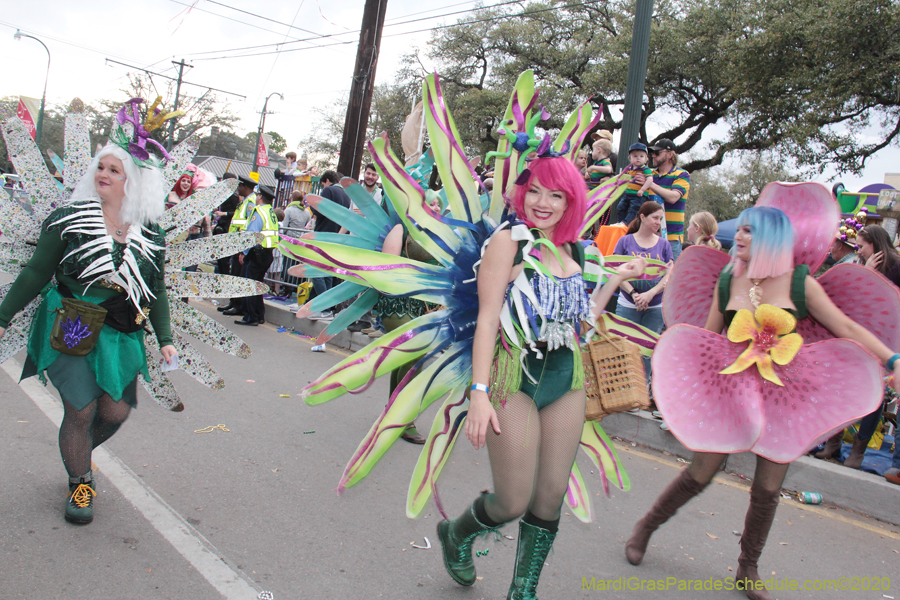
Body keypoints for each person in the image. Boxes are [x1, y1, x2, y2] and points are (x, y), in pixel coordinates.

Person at [627, 206, 900, 600]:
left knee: (769, 487)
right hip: (730, 386)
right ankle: (646, 527)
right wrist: (687, 390)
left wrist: (892, 360)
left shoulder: (800, 284)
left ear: (771, 238)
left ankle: (747, 567)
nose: (738, 236)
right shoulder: (729, 276)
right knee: (700, 472)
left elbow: (847, 327)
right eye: (740, 229)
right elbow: (706, 337)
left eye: (749, 231)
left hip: (784, 393)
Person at [440, 156, 646, 599]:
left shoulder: (580, 250)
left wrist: (613, 281)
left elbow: (583, 321)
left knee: (550, 495)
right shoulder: (508, 243)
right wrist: (478, 394)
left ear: (571, 200)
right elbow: (489, 320)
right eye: (534, 190)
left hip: (565, 377)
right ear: (521, 192)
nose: (542, 202)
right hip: (512, 377)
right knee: (512, 501)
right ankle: (456, 534)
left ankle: (523, 591)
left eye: (556, 195)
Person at [0, 143, 177, 525]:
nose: (105, 175)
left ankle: (76, 450)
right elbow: (35, 272)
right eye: (102, 167)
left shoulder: (151, 233)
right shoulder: (68, 219)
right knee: (80, 410)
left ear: (136, 183)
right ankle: (80, 480)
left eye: (116, 170)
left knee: (116, 410)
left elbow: (157, 289)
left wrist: (165, 338)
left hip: (121, 328)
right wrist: (2, 316)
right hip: (73, 322)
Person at [613, 201, 674, 379]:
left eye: (660, 219)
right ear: (642, 217)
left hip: (655, 306)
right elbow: (615, 271)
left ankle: (643, 392)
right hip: (627, 303)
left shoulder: (664, 245)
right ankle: (623, 389)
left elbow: (669, 274)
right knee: (624, 347)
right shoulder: (625, 241)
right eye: (655, 218)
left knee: (647, 351)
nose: (658, 222)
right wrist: (634, 294)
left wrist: (650, 294)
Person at [306, 170, 351, 321]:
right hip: (337, 236)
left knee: (317, 271)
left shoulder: (328, 190)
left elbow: (319, 210)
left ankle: (325, 307)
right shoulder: (345, 195)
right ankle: (324, 306)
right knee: (328, 272)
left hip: (323, 234)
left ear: (325, 180)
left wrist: (311, 206)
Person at [635, 138, 690, 261]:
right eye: (652, 153)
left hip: (671, 238)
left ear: (670, 154)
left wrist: (650, 184)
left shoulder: (682, 174)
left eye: (657, 153)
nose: (653, 156)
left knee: (670, 276)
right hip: (648, 236)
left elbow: (673, 197)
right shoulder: (650, 174)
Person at [234, 185, 279, 326]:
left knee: (249, 284)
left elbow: (251, 236)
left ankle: (250, 316)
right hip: (267, 253)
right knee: (258, 285)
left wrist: (243, 253)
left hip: (255, 253)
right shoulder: (270, 212)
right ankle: (259, 315)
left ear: (259, 196)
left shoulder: (258, 211)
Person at [219, 175, 258, 316]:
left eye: (240, 186)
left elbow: (249, 226)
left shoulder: (250, 203)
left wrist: (243, 248)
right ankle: (233, 302)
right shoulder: (245, 201)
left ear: (245, 187)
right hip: (235, 242)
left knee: (237, 275)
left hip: (240, 244)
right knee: (234, 273)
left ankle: (238, 306)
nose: (238, 188)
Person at [616, 143, 655, 224]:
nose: (638, 158)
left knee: (634, 209)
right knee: (620, 206)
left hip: (638, 195)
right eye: (635, 156)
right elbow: (623, 178)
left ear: (646, 159)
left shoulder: (645, 169)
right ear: (630, 158)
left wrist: (642, 189)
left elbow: (650, 180)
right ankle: (620, 222)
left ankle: (626, 223)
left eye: (641, 156)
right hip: (628, 193)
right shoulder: (629, 169)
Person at [213, 172, 240, 275]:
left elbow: (237, 212)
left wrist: (223, 213)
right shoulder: (225, 193)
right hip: (221, 225)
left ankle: (223, 274)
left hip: (227, 227)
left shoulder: (234, 196)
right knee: (219, 256)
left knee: (223, 257)